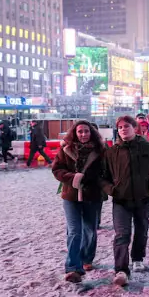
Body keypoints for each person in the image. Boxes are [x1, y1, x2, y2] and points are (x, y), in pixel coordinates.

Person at [102, 115, 149, 286]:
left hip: (143, 198)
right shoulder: (111, 152)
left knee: (141, 229)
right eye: (120, 127)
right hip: (121, 200)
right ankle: (121, 270)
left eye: (126, 126)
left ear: (134, 128)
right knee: (121, 235)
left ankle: (138, 257)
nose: (123, 129)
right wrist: (111, 189)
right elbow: (102, 177)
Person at [52, 121, 106, 283]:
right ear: (74, 133)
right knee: (75, 231)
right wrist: (73, 178)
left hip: (92, 195)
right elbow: (57, 169)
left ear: (92, 133)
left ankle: (87, 258)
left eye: (86, 131)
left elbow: (106, 171)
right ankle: (73, 267)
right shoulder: (65, 149)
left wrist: (91, 179)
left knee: (90, 229)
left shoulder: (101, 150)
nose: (83, 134)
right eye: (80, 131)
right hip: (71, 195)